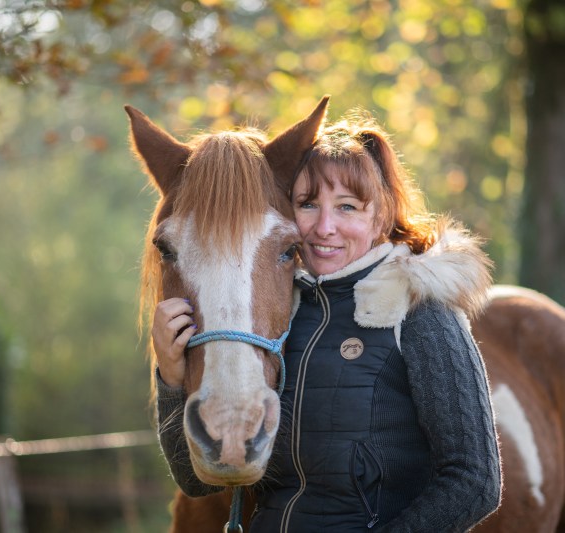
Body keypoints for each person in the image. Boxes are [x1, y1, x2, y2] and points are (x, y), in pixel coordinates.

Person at [153, 112, 502, 532]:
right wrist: (172, 380)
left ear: (380, 217)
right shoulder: (275, 324)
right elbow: (196, 482)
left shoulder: (421, 315)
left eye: (347, 207)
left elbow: (476, 482)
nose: (324, 227)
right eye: (307, 204)